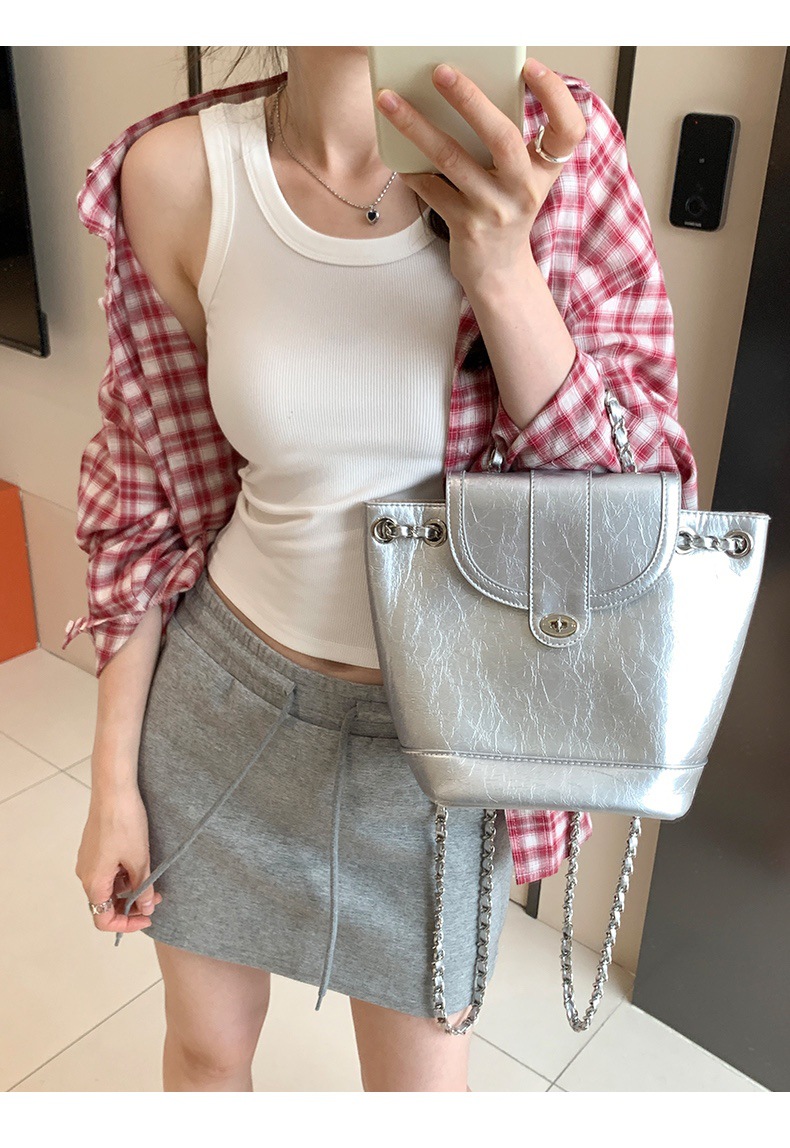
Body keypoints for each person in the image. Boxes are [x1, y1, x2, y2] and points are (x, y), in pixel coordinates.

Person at [70, 46, 698, 1092]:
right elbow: (142, 509)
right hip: (221, 711)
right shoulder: (177, 174)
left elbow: (635, 511)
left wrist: (503, 269)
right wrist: (110, 785)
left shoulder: (556, 153)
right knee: (205, 1054)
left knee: (419, 1096)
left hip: (438, 755)